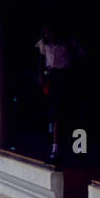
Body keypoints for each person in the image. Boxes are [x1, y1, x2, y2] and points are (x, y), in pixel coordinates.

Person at [35, 26, 85, 162]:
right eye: (46, 32)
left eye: (50, 31)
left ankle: (80, 148)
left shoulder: (69, 42)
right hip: (53, 77)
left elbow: (80, 57)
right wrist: (41, 76)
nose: (48, 34)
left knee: (75, 113)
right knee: (55, 113)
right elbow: (41, 60)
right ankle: (55, 149)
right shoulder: (44, 44)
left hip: (68, 76)